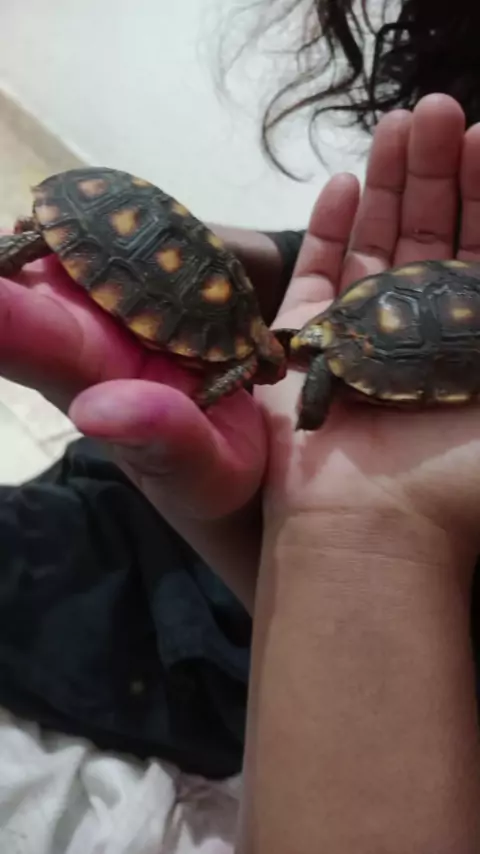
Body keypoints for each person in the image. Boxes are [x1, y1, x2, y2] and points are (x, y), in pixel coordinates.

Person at [1, 91, 480, 850]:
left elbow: (300, 378)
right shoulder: (293, 339)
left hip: (223, 615)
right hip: (192, 505)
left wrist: (361, 534)